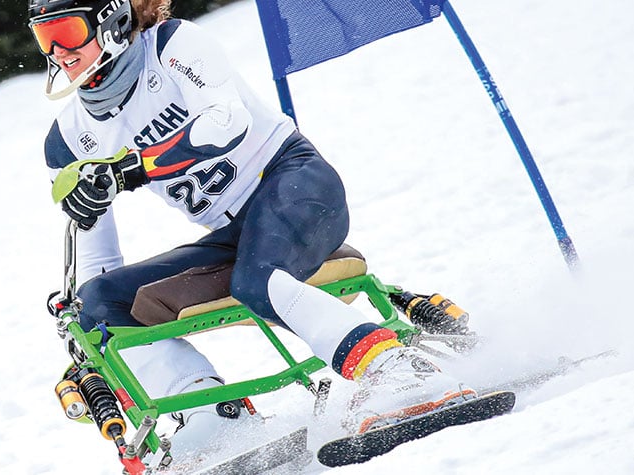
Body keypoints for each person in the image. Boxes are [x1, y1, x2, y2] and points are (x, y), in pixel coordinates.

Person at [30, 0, 476, 458]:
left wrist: (135, 167)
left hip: (294, 183)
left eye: (67, 31)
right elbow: (96, 259)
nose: (58, 52)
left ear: (111, 21)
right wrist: (81, 292)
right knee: (100, 305)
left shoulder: (171, 45)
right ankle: (218, 416)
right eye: (45, 38)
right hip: (234, 235)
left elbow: (226, 123)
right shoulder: (67, 139)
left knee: (256, 280)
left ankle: (396, 368)